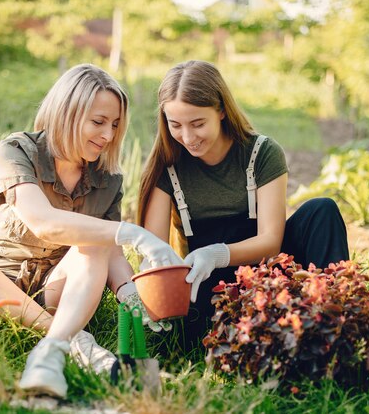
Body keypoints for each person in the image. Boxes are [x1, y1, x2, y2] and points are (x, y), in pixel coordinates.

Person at [0, 64, 182, 399]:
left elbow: (111, 251)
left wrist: (130, 292)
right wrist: (134, 233)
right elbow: (43, 221)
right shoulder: (17, 151)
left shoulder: (107, 179)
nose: (108, 135)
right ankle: (70, 340)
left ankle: (49, 351)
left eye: (115, 125)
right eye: (98, 122)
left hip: (57, 291)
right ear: (67, 112)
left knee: (94, 242)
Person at [137, 60, 349, 353]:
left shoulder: (261, 153)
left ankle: (334, 322)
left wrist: (218, 253)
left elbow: (271, 242)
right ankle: (265, 336)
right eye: (176, 125)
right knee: (200, 326)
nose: (187, 137)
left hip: (269, 269)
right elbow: (154, 249)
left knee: (322, 210)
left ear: (221, 111)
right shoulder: (167, 168)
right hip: (211, 287)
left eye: (198, 123)